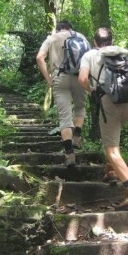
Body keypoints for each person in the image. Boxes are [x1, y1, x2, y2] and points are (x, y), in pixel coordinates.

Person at [78, 27, 128, 211]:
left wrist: (92, 91)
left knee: (112, 150)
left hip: (110, 102)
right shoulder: (120, 53)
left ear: (94, 41)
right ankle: (111, 171)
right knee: (113, 138)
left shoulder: (89, 55)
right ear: (111, 40)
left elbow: (83, 79)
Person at [36, 20, 90, 167]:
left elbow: (39, 57)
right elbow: (91, 58)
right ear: (70, 28)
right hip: (79, 77)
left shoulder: (52, 38)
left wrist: (48, 79)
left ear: (58, 29)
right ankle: (77, 134)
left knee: (65, 116)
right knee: (80, 106)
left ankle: (69, 153)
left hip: (59, 78)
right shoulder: (81, 37)